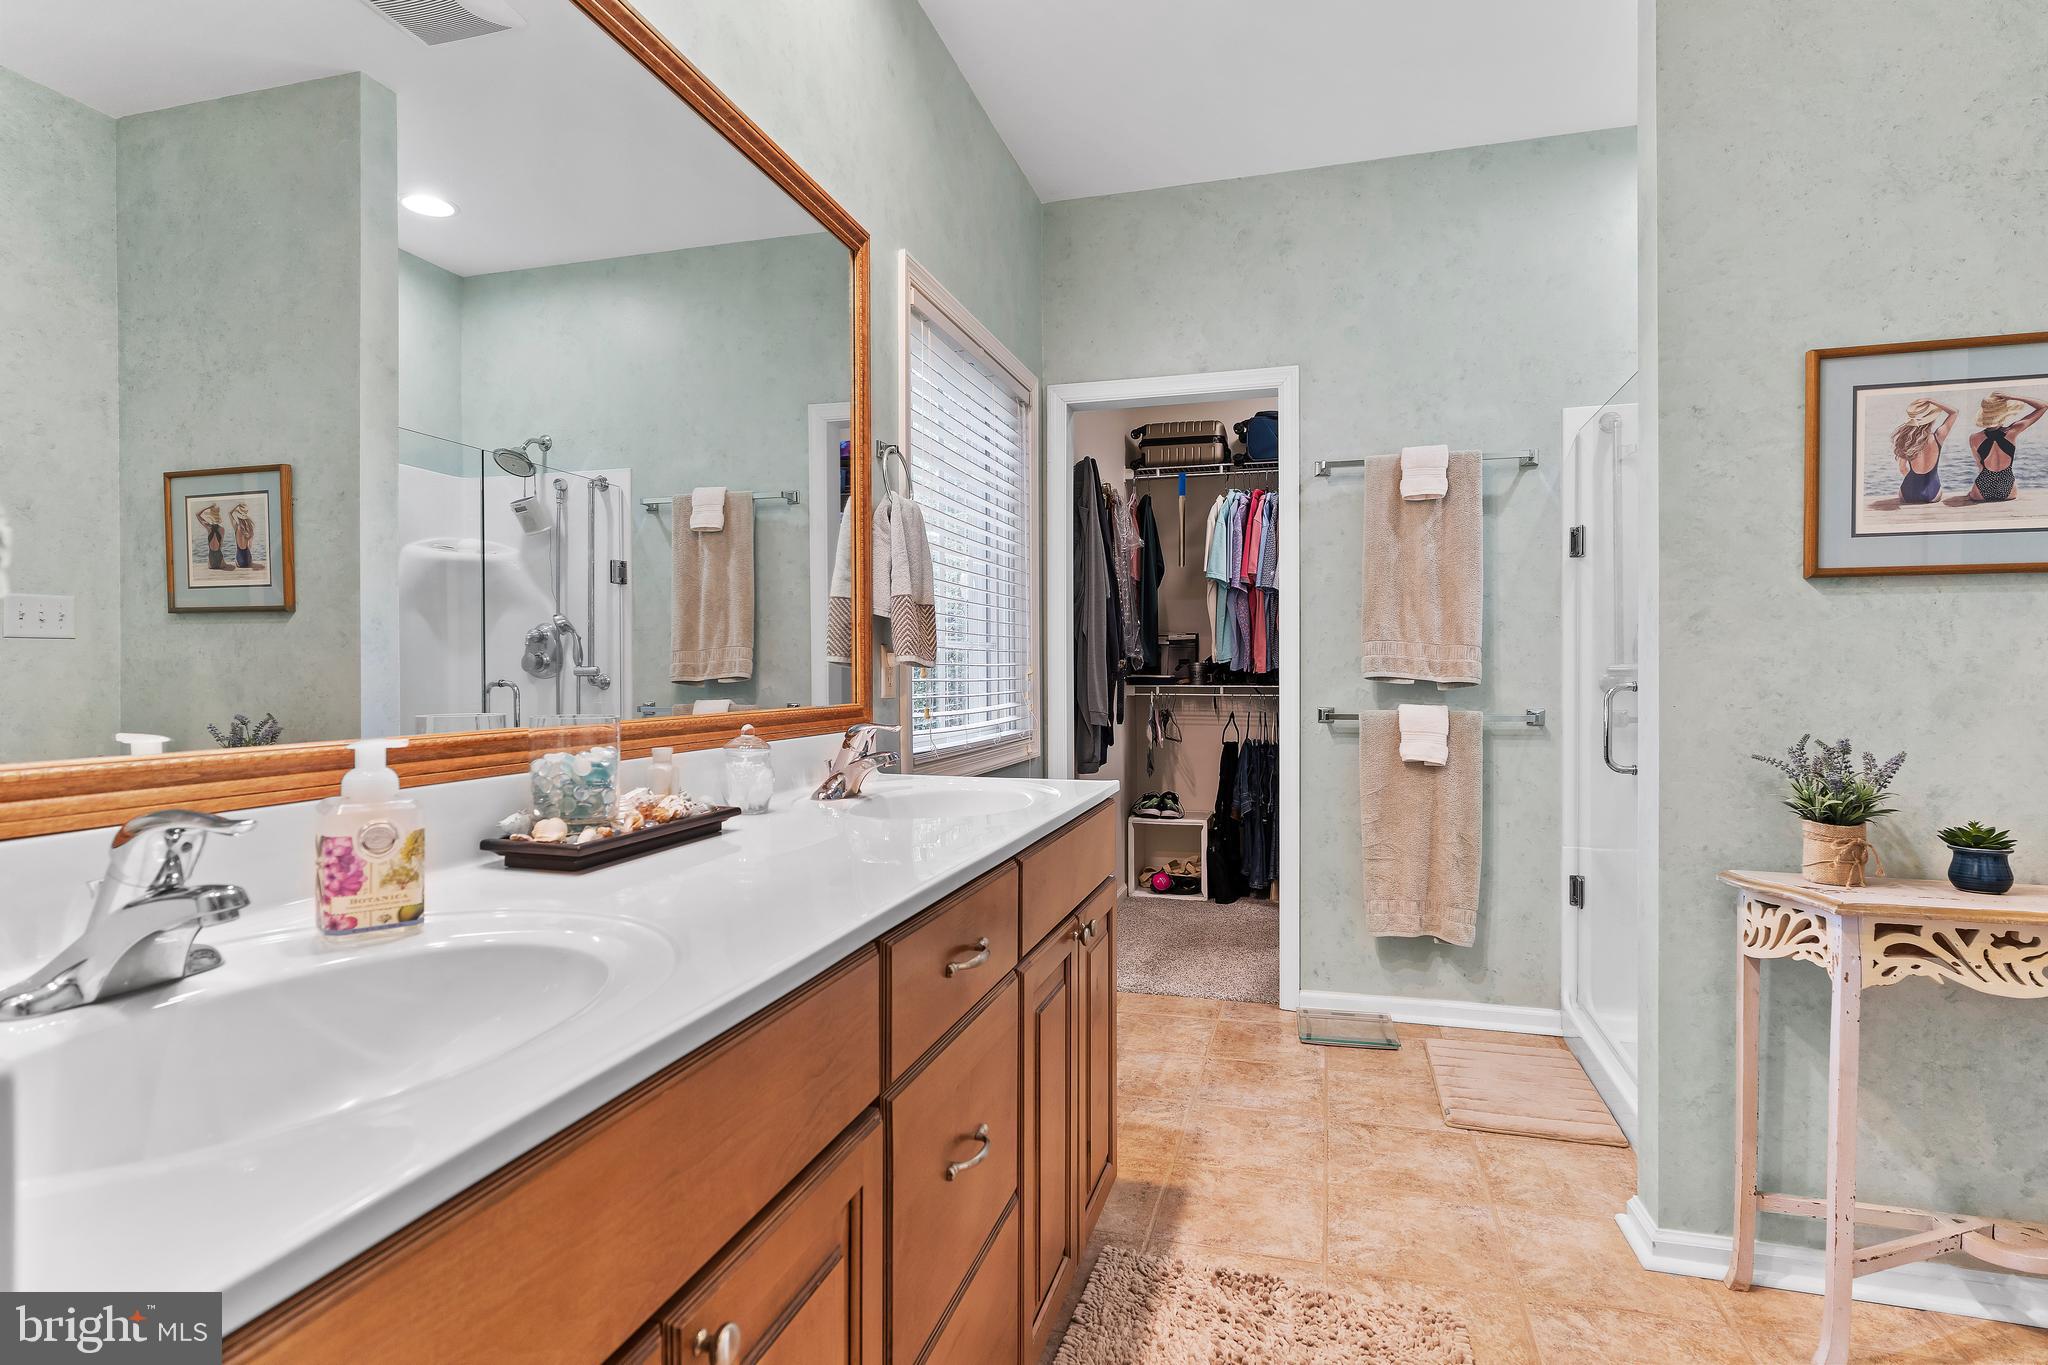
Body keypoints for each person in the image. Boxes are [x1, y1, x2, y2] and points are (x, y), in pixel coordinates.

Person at [1967, 391, 2046, 503]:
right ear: (2004, 414)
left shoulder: (1974, 438)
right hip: (2008, 490)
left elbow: (1980, 467)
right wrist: (2011, 396)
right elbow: (2043, 406)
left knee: (1972, 492)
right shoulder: (2012, 431)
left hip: (1981, 490)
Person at [1890, 398, 1955, 504]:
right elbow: (1954, 412)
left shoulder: (1907, 440)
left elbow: (1902, 469)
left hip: (1908, 494)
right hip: (1931, 494)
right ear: (1931, 420)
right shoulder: (1938, 436)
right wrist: (1932, 400)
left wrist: (1914, 483)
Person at [196, 503, 225, 570]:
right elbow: (221, 546)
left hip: (211, 561)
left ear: (210, 516)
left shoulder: (208, 527)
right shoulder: (222, 529)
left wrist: (208, 507)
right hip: (220, 560)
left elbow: (197, 514)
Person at [230, 502, 256, 569]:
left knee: (237, 557)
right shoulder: (250, 528)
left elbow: (229, 513)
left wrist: (237, 505)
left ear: (238, 517)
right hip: (248, 560)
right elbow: (250, 546)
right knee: (247, 550)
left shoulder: (236, 526)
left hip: (239, 561)